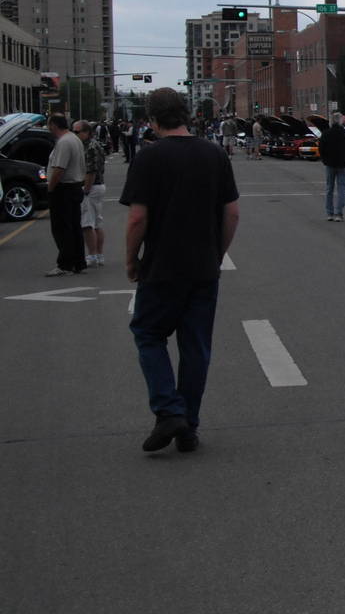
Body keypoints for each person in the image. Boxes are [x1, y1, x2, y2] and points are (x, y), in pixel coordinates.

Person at [121, 88, 239, 454]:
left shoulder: (149, 157)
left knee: (148, 333)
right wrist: (216, 253)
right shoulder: (214, 153)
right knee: (195, 347)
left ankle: (169, 411)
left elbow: (138, 217)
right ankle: (188, 424)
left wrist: (131, 259)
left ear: (152, 119)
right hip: (203, 267)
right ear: (186, 115)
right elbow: (232, 213)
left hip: (162, 267)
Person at [45, 114, 87, 276]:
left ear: (54, 125)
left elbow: (59, 169)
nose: (49, 128)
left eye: (49, 125)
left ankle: (64, 263)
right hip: (75, 187)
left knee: (62, 228)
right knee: (74, 226)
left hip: (63, 189)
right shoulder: (74, 139)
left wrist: (50, 188)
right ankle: (78, 261)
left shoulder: (64, 142)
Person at [74, 120, 107, 267]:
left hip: (91, 187)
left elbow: (91, 171)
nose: (74, 134)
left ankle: (92, 255)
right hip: (97, 186)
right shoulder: (92, 145)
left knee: (87, 224)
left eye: (77, 132)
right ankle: (99, 255)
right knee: (97, 223)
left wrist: (85, 190)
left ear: (86, 132)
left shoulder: (91, 147)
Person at [318, 112, 345, 221]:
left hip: (330, 164)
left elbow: (321, 149)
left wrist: (325, 160)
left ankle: (329, 213)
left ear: (331, 121)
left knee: (329, 188)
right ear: (341, 121)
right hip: (342, 164)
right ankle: (339, 213)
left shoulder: (326, 133)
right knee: (341, 189)